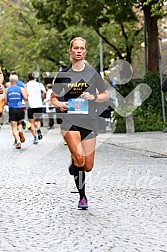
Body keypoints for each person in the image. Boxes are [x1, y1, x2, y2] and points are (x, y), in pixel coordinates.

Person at [51, 37, 109, 209]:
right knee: (80, 158)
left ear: (85, 51)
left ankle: (74, 164)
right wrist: (60, 104)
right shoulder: (63, 75)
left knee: (88, 166)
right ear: (70, 51)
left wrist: (94, 97)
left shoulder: (93, 74)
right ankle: (82, 197)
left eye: (81, 48)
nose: (78, 51)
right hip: (69, 120)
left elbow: (105, 94)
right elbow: (53, 98)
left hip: (89, 120)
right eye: (75, 48)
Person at [5, 74, 28, 149]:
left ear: (10, 81)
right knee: (20, 123)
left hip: (12, 109)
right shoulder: (21, 88)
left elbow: (5, 101)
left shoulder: (7, 89)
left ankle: (18, 141)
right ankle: (20, 131)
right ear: (17, 81)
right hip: (20, 108)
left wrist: (8, 102)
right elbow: (25, 97)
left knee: (14, 127)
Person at [26, 72, 46, 144]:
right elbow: (44, 92)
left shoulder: (26, 85)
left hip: (31, 105)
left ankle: (35, 138)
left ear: (28, 78)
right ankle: (38, 129)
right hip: (39, 104)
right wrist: (42, 98)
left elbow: (25, 95)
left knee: (31, 123)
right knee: (37, 120)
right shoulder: (39, 84)